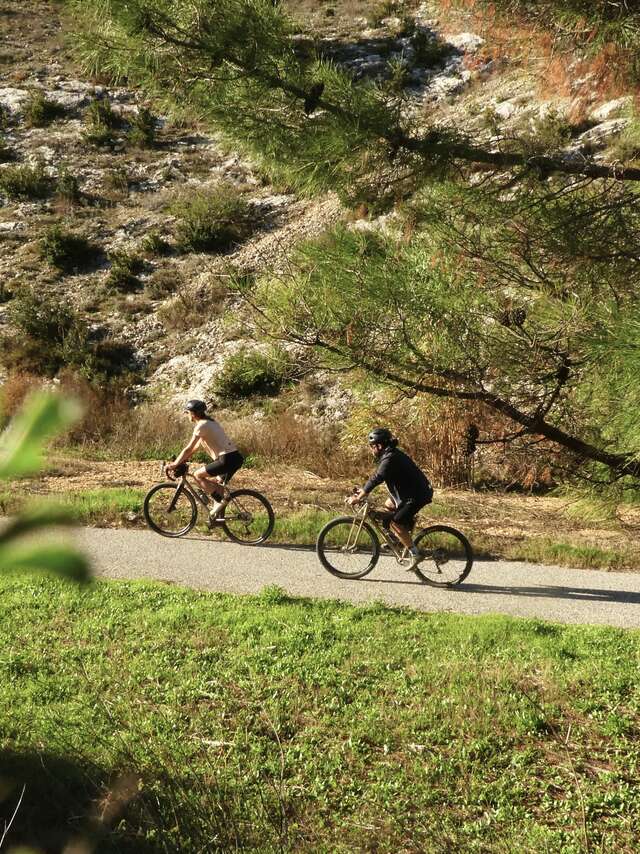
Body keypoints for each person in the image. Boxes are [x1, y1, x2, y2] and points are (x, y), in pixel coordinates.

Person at [347, 427, 433, 571]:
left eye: (372, 447)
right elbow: (377, 475)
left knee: (395, 524)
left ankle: (414, 553)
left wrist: (361, 496)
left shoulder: (391, 457)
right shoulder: (389, 455)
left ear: (379, 445)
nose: (371, 450)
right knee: (388, 505)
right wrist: (363, 490)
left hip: (417, 495)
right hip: (409, 492)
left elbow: (378, 477)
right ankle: (398, 540)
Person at [166, 399, 244, 519]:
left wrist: (175, 464)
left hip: (226, 459)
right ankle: (218, 519)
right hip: (234, 458)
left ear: (193, 413)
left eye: (187, 412)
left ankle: (221, 502)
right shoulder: (209, 422)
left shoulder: (202, 425)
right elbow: (194, 449)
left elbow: (188, 448)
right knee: (217, 484)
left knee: (197, 475)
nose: (187, 415)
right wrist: (183, 460)